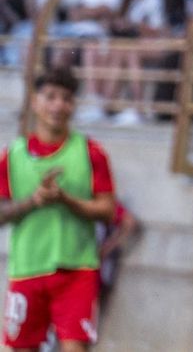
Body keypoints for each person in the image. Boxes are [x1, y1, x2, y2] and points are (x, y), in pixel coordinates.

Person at [0, 68, 117, 352]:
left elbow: (107, 209)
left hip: (77, 270)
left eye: (66, 98)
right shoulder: (11, 156)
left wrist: (66, 200)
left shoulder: (91, 151)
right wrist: (33, 201)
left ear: (73, 105)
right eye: (50, 96)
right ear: (34, 101)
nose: (58, 105)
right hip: (27, 268)